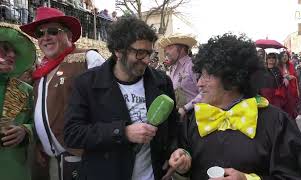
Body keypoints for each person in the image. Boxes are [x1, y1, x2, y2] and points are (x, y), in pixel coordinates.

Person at [168, 33, 301, 179]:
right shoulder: (193, 119)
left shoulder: (275, 122)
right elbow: (185, 160)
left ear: (232, 79)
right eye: (200, 75)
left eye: (207, 76)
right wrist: (183, 163)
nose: (199, 83)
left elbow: (300, 174)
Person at [64, 16, 179, 180]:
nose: (146, 60)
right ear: (118, 50)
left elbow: (173, 127)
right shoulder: (87, 83)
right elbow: (72, 134)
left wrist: (175, 152)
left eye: (149, 53)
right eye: (139, 53)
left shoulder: (162, 82)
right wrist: (122, 132)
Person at [20, 7, 105, 180]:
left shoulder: (88, 58)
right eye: (39, 33)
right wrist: (39, 144)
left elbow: (107, 106)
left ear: (69, 36)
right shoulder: (40, 73)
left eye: (52, 31)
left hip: (82, 158)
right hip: (48, 160)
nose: (45, 37)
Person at [0, 25, 36, 180]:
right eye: (5, 49)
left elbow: (42, 123)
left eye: (14, 51)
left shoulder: (25, 90)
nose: (12, 55)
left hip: (14, 172)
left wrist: (25, 130)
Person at [158, 34, 201, 120]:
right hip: (180, 118)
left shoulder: (192, 65)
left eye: (170, 47)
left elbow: (205, 93)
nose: (166, 51)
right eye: (166, 48)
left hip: (196, 117)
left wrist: (185, 108)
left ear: (181, 49)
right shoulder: (172, 68)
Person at [278, 51, 299, 119]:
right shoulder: (277, 66)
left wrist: (292, 77)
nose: (285, 57)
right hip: (281, 90)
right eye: (283, 56)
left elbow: (295, 76)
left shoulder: (291, 65)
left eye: (286, 55)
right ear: (280, 57)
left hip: (291, 89)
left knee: (290, 107)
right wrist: (283, 77)